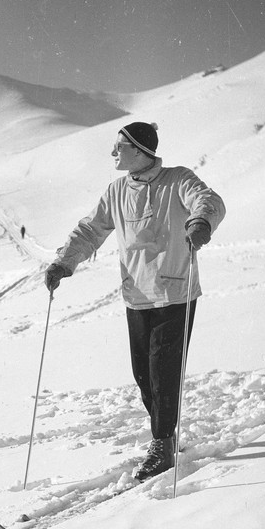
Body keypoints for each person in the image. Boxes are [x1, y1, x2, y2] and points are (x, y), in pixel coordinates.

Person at [45, 122, 225, 481]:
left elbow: (208, 200)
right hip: (137, 297)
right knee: (143, 376)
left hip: (175, 293)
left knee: (164, 371)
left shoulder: (177, 179)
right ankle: (165, 435)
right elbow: (90, 230)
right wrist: (64, 261)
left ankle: (161, 444)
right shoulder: (115, 191)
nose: (113, 153)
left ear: (140, 150)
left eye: (119, 147)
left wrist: (200, 221)